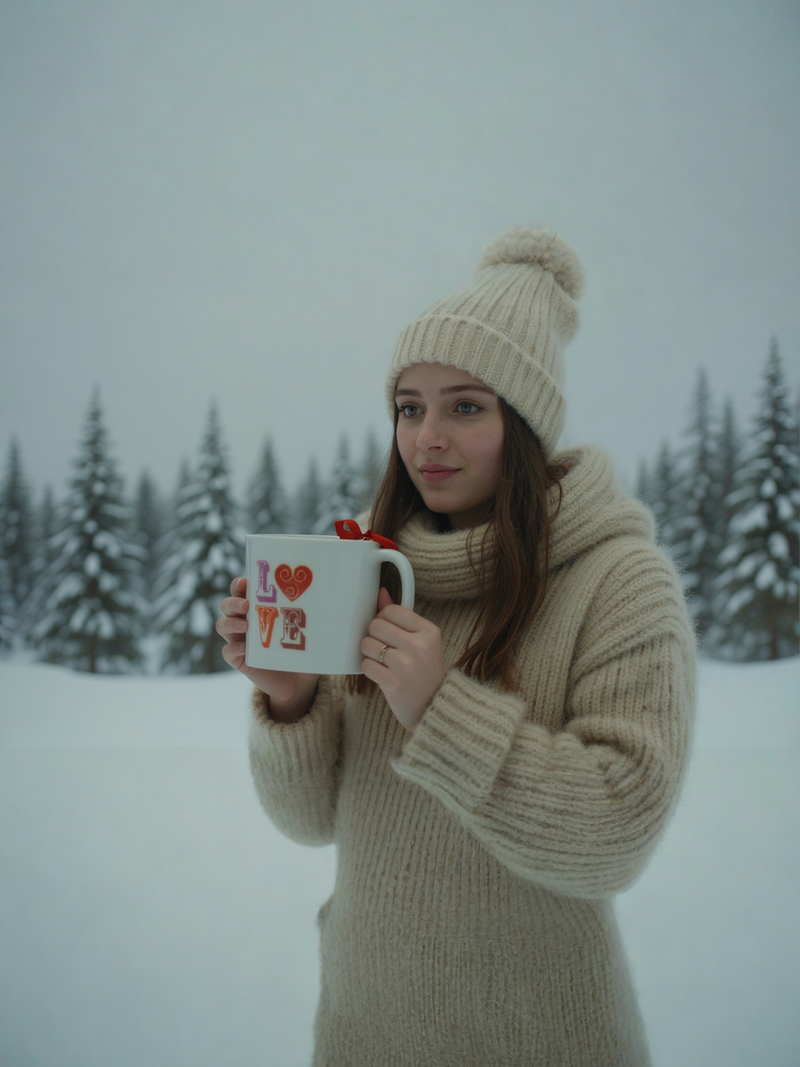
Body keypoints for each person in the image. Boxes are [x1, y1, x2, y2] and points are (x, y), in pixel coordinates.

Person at [217, 227, 696, 1066]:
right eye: (410, 406)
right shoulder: (374, 572)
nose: (426, 436)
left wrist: (439, 709)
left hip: (544, 1042)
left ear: (525, 422)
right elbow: (310, 822)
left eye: (465, 406)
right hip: (364, 1036)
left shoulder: (621, 581)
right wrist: (287, 695)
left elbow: (620, 828)